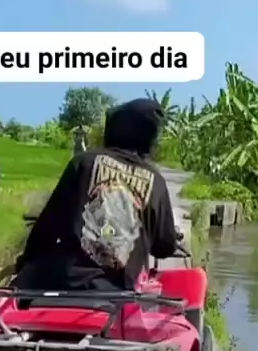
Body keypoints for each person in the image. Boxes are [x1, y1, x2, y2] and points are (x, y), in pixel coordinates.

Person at [13, 98, 177, 293]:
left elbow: (46, 229)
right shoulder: (156, 181)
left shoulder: (84, 162)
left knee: (15, 288)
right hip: (118, 294)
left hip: (65, 280)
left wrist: (25, 262)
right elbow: (164, 247)